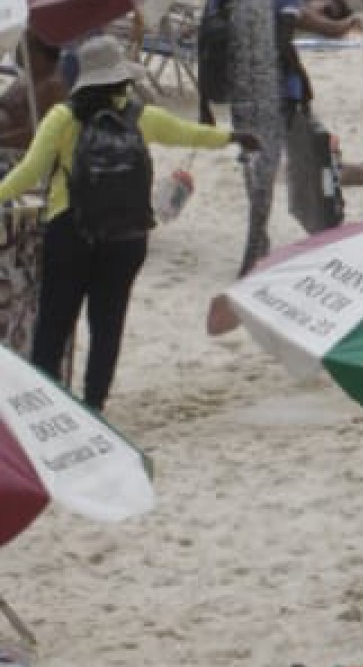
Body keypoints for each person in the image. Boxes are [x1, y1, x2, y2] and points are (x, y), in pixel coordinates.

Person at [0, 34, 251, 408]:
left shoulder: (64, 117)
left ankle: (45, 407)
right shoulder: (142, 116)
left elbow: (30, 172)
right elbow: (190, 134)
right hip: (127, 236)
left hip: (71, 230)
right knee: (107, 325)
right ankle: (94, 406)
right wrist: (234, 136)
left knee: (54, 322)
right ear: (122, 78)